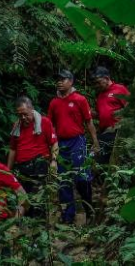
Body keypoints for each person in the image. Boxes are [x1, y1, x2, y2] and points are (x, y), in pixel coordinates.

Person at [47, 70, 100, 224]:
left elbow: (89, 122)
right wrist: (51, 148)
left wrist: (95, 142)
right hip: (61, 144)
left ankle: (89, 209)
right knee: (64, 180)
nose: (59, 82)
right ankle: (68, 216)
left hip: (77, 141)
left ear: (71, 81)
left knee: (82, 177)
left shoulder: (80, 99)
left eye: (63, 79)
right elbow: (50, 126)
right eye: (58, 80)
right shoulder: (54, 103)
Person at [7, 96, 58, 216]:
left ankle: (39, 221)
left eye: (25, 114)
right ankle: (26, 222)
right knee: (24, 197)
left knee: (38, 197)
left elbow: (54, 143)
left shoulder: (44, 122)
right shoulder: (17, 126)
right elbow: (13, 149)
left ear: (31, 109)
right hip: (22, 167)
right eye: (20, 115)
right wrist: (7, 170)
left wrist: (54, 161)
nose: (23, 118)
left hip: (39, 163)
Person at [91, 67, 130, 165]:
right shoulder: (100, 95)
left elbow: (130, 108)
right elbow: (101, 114)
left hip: (116, 130)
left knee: (96, 157)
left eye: (98, 82)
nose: (97, 85)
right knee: (94, 156)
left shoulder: (119, 89)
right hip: (104, 132)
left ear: (107, 78)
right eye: (95, 83)